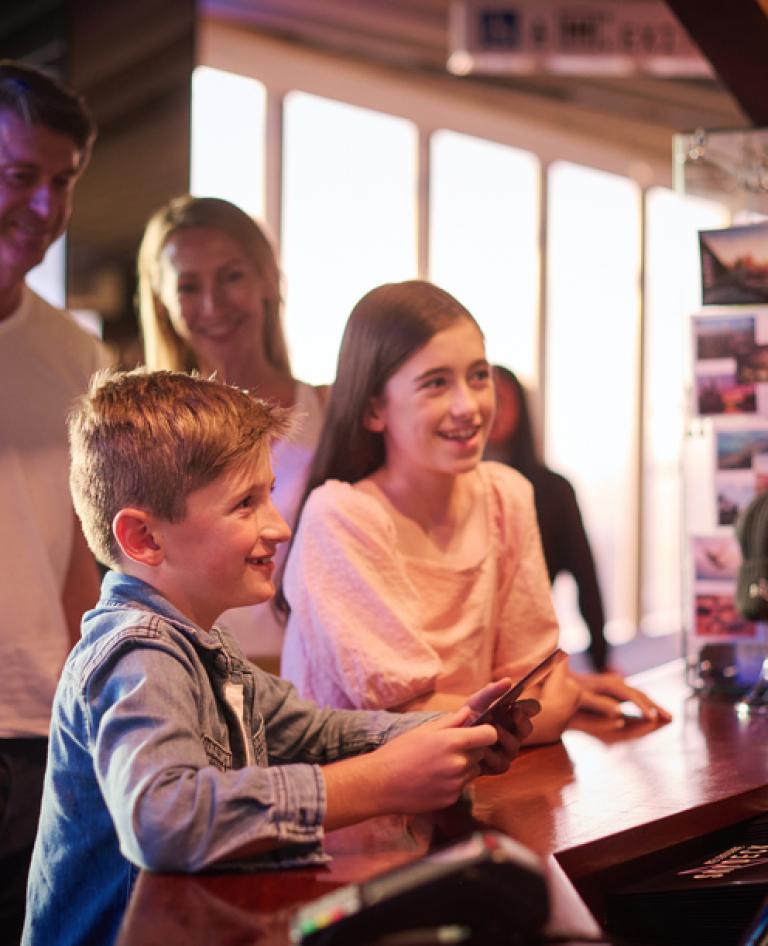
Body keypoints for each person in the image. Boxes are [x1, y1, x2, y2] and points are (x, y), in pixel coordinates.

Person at [23, 369, 538, 946]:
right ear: (144, 538)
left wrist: (451, 733)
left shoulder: (202, 645)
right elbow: (167, 818)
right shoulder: (137, 651)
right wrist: (381, 783)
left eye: (268, 494)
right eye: (246, 504)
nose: (280, 525)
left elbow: (318, 732)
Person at [280, 281, 670, 741]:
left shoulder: (506, 496)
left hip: (474, 787)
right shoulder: (343, 516)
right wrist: (537, 709)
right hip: (359, 804)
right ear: (373, 409)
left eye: (479, 376)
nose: (469, 406)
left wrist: (548, 701)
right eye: (436, 384)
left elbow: (540, 682)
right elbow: (407, 719)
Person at [0, 61, 108, 944]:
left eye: (61, 182)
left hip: (40, 730)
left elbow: (84, 564)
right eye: (19, 176)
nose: (43, 207)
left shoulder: (77, 356)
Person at [137, 195, 326, 664]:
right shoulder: (149, 437)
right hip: (199, 689)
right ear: (163, 302)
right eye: (188, 286)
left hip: (326, 689)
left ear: (267, 279)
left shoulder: (330, 410)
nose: (212, 304)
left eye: (232, 276)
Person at [484, 366, 611, 673]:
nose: (492, 412)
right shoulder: (450, 491)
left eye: (501, 401)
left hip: (526, 658)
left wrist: (601, 663)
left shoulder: (552, 490)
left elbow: (586, 578)